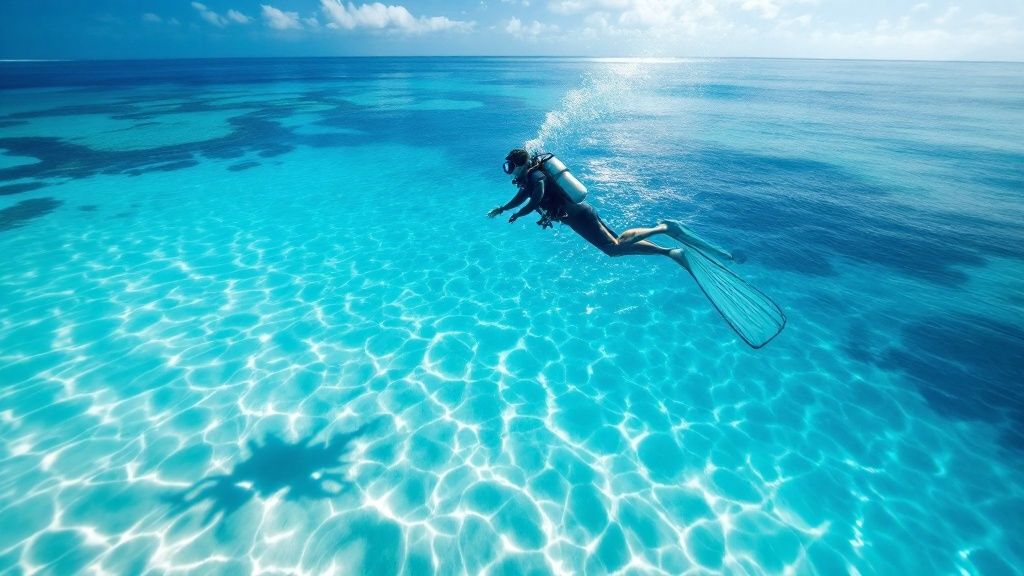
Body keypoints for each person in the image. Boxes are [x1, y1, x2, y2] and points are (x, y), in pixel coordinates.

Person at [488, 148, 786, 348]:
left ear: (521, 164)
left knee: (614, 248)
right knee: (615, 245)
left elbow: (537, 196)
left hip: (578, 216)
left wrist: (519, 214)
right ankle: (670, 247)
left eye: (509, 167)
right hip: (582, 212)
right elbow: (526, 196)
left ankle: (665, 233)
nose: (508, 171)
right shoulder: (530, 176)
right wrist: (504, 208)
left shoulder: (536, 176)